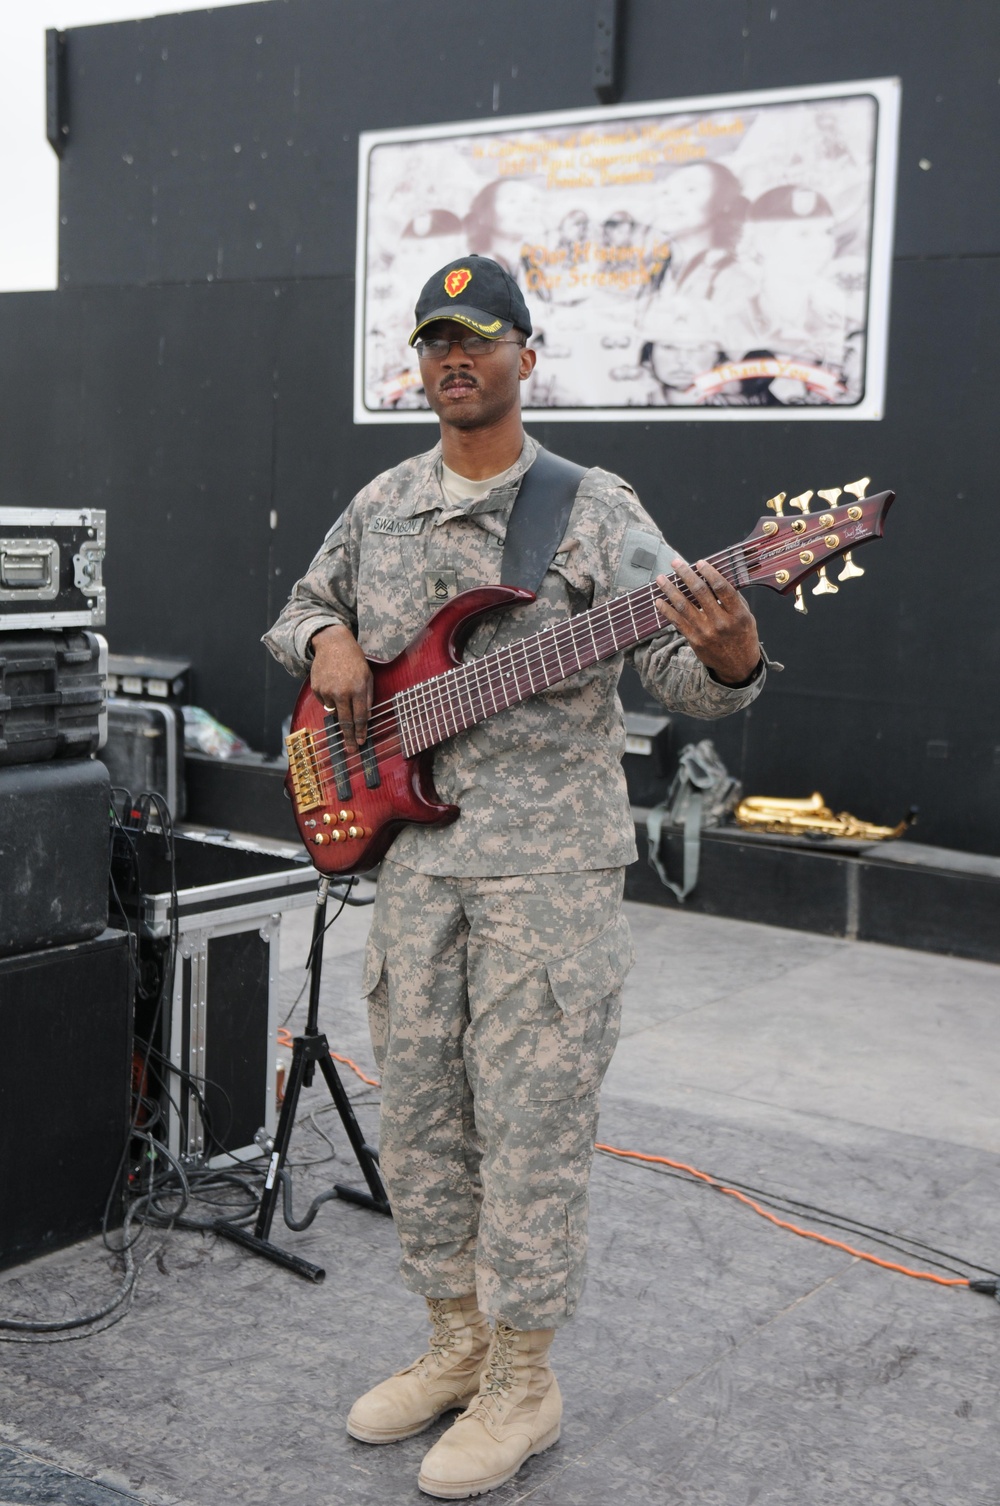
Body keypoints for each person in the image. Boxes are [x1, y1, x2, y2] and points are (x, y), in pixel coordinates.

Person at [263, 253, 766, 1499]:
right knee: (424, 1117)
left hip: (547, 881)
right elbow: (299, 606)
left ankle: (524, 1383)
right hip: (416, 863)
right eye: (436, 341)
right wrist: (326, 639)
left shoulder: (591, 509)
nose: (454, 359)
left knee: (531, 1133)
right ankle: (455, 1346)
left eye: (479, 339)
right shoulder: (381, 502)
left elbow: (685, 680)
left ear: (524, 358)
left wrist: (735, 648)